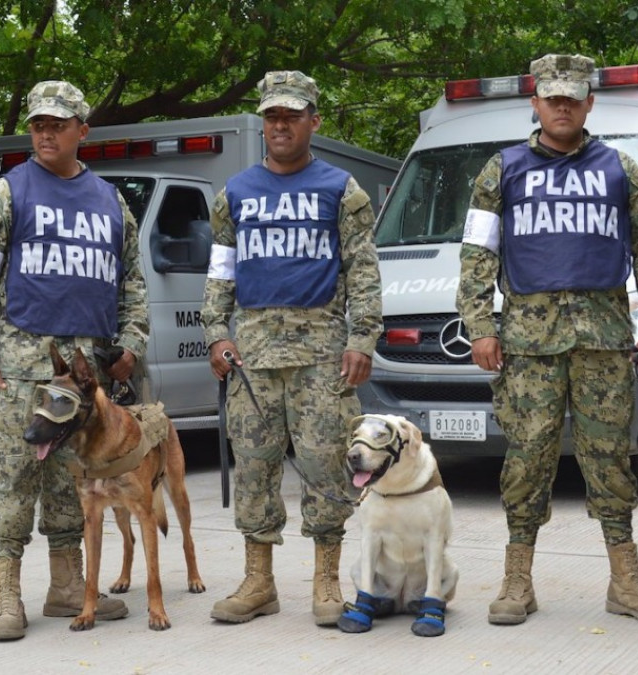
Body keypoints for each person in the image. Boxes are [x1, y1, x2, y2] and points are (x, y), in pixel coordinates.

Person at [455, 54, 638, 626]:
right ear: (535, 103)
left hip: (604, 341)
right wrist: (480, 327)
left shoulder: (622, 170)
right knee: (526, 462)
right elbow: (477, 256)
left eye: (571, 98)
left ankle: (625, 581)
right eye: (551, 97)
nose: (561, 106)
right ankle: (517, 581)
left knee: (609, 462)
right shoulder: (499, 170)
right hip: (527, 344)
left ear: (587, 104)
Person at [0, 80, 149, 641]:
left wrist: (131, 342)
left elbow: (131, 281)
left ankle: (67, 590)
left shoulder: (111, 202)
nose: (44, 131)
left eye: (57, 124)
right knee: (13, 482)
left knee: (73, 487)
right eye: (38, 123)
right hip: (16, 371)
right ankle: (6, 598)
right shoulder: (5, 194)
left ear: (81, 132)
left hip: (83, 378)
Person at [201, 70, 383, 626]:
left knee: (327, 468)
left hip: (322, 355)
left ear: (313, 121)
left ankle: (326, 582)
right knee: (254, 469)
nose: (280, 125)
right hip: (252, 358)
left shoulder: (341, 190)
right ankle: (259, 582)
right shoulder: (234, 194)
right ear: (264, 123)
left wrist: (362, 337)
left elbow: (363, 271)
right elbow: (220, 274)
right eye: (272, 117)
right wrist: (217, 332)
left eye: (291, 116)